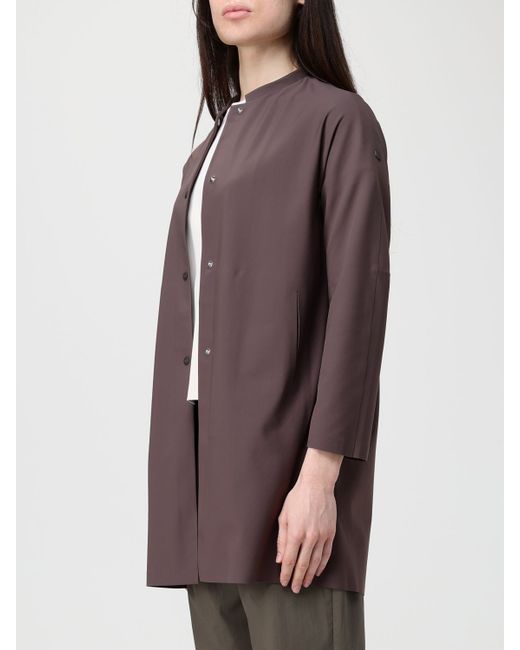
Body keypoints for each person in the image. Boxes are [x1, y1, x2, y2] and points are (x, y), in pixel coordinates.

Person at [146, 1, 391, 648]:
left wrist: (320, 476)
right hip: (204, 490)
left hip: (289, 486)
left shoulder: (338, 120)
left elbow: (359, 304)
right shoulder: (208, 149)